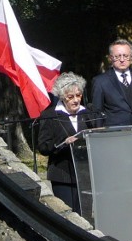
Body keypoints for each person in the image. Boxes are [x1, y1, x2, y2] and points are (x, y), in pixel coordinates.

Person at [90, 39, 132, 177]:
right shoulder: (100, 81)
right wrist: (99, 144)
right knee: (120, 179)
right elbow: (97, 115)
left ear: (131, 57)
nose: (122, 60)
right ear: (110, 58)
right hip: (115, 142)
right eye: (117, 56)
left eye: (125, 56)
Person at [37, 72, 97, 214]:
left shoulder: (87, 114)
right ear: (62, 96)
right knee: (68, 215)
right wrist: (63, 143)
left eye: (79, 95)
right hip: (62, 173)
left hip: (85, 173)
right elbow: (43, 146)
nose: (76, 100)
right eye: (71, 97)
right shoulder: (51, 115)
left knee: (85, 215)